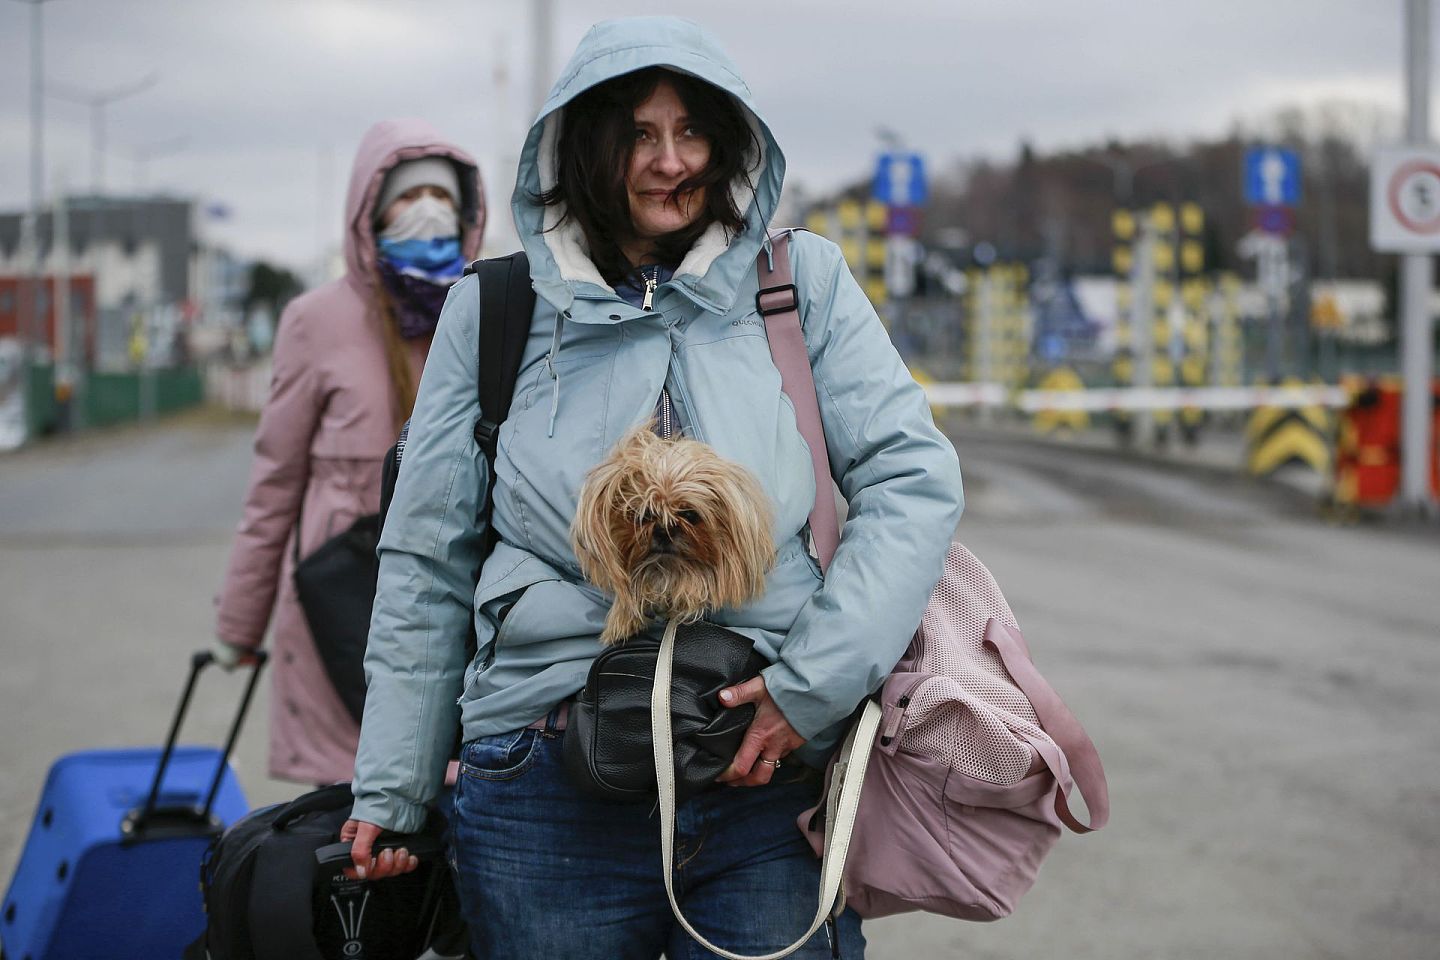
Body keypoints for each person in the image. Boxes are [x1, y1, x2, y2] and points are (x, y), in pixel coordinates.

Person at [345, 17, 963, 959]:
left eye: (692, 131)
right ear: (582, 146)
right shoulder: (495, 308)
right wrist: (394, 790)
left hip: (764, 770)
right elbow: (428, 556)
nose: (670, 161)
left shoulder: (800, 283)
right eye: (637, 132)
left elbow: (910, 482)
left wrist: (810, 688)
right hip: (541, 791)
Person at [211, 120, 485, 786]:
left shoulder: (483, 306)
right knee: (349, 825)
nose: (428, 212)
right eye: (407, 196)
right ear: (368, 210)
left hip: (456, 595)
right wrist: (240, 624)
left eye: (443, 198)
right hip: (342, 606)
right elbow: (275, 483)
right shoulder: (315, 321)